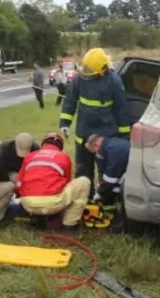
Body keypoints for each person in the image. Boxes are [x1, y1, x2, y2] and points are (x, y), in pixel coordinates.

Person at [58, 47, 131, 194]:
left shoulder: (114, 82)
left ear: (103, 69)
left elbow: (122, 111)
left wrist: (124, 137)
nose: (87, 73)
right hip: (83, 136)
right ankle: (84, 201)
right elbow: (70, 100)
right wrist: (65, 123)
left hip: (105, 138)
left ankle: (105, 202)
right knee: (83, 173)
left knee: (105, 173)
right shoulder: (80, 78)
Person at [16, 133, 91, 232]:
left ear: (43, 144)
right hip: (52, 203)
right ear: (60, 147)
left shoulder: (30, 156)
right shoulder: (64, 157)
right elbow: (66, 183)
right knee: (84, 182)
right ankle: (70, 225)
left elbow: (19, 183)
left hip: (27, 204)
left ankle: (38, 216)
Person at [86, 134, 131, 231]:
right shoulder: (112, 144)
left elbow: (111, 178)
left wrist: (100, 192)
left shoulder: (113, 150)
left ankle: (123, 224)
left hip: (134, 177)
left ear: (96, 145)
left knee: (117, 189)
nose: (97, 154)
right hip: (133, 172)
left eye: (95, 152)